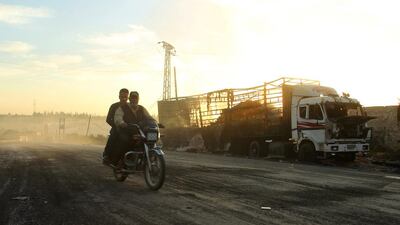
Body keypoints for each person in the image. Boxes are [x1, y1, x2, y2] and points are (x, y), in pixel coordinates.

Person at [111, 91, 155, 165]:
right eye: (132, 98)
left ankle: (151, 156)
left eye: (136, 98)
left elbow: (149, 117)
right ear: (130, 99)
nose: (134, 100)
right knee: (125, 140)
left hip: (140, 131)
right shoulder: (122, 108)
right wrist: (121, 123)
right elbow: (118, 117)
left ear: (138, 99)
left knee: (151, 139)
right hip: (127, 131)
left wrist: (155, 122)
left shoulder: (142, 108)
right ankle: (121, 160)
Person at [102, 88, 129, 165]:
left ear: (128, 97)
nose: (124, 99)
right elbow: (108, 119)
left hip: (129, 128)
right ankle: (106, 155)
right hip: (117, 128)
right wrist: (116, 126)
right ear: (119, 96)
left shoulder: (129, 106)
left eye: (125, 97)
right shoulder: (114, 106)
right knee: (113, 136)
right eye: (122, 97)